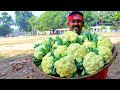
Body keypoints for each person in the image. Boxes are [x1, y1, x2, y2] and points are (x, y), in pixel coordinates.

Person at [67, 11, 108, 79]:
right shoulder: (62, 40)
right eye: (73, 21)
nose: (76, 24)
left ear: (83, 24)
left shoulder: (90, 39)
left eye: (79, 21)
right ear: (68, 24)